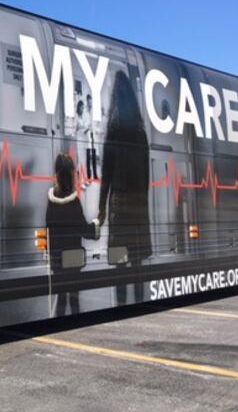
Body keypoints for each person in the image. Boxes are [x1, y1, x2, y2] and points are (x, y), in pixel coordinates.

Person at [97, 71, 152, 305]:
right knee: (138, 261)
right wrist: (142, 197)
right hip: (138, 202)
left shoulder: (113, 131)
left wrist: (101, 209)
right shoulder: (140, 133)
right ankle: (140, 302)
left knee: (119, 259)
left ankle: (121, 305)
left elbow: (106, 177)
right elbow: (146, 176)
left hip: (119, 203)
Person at [46, 153, 99, 315]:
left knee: (61, 299)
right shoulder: (73, 202)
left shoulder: (51, 200)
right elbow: (85, 231)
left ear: (57, 175)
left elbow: (48, 230)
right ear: (70, 175)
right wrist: (97, 222)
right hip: (73, 260)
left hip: (57, 260)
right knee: (74, 301)